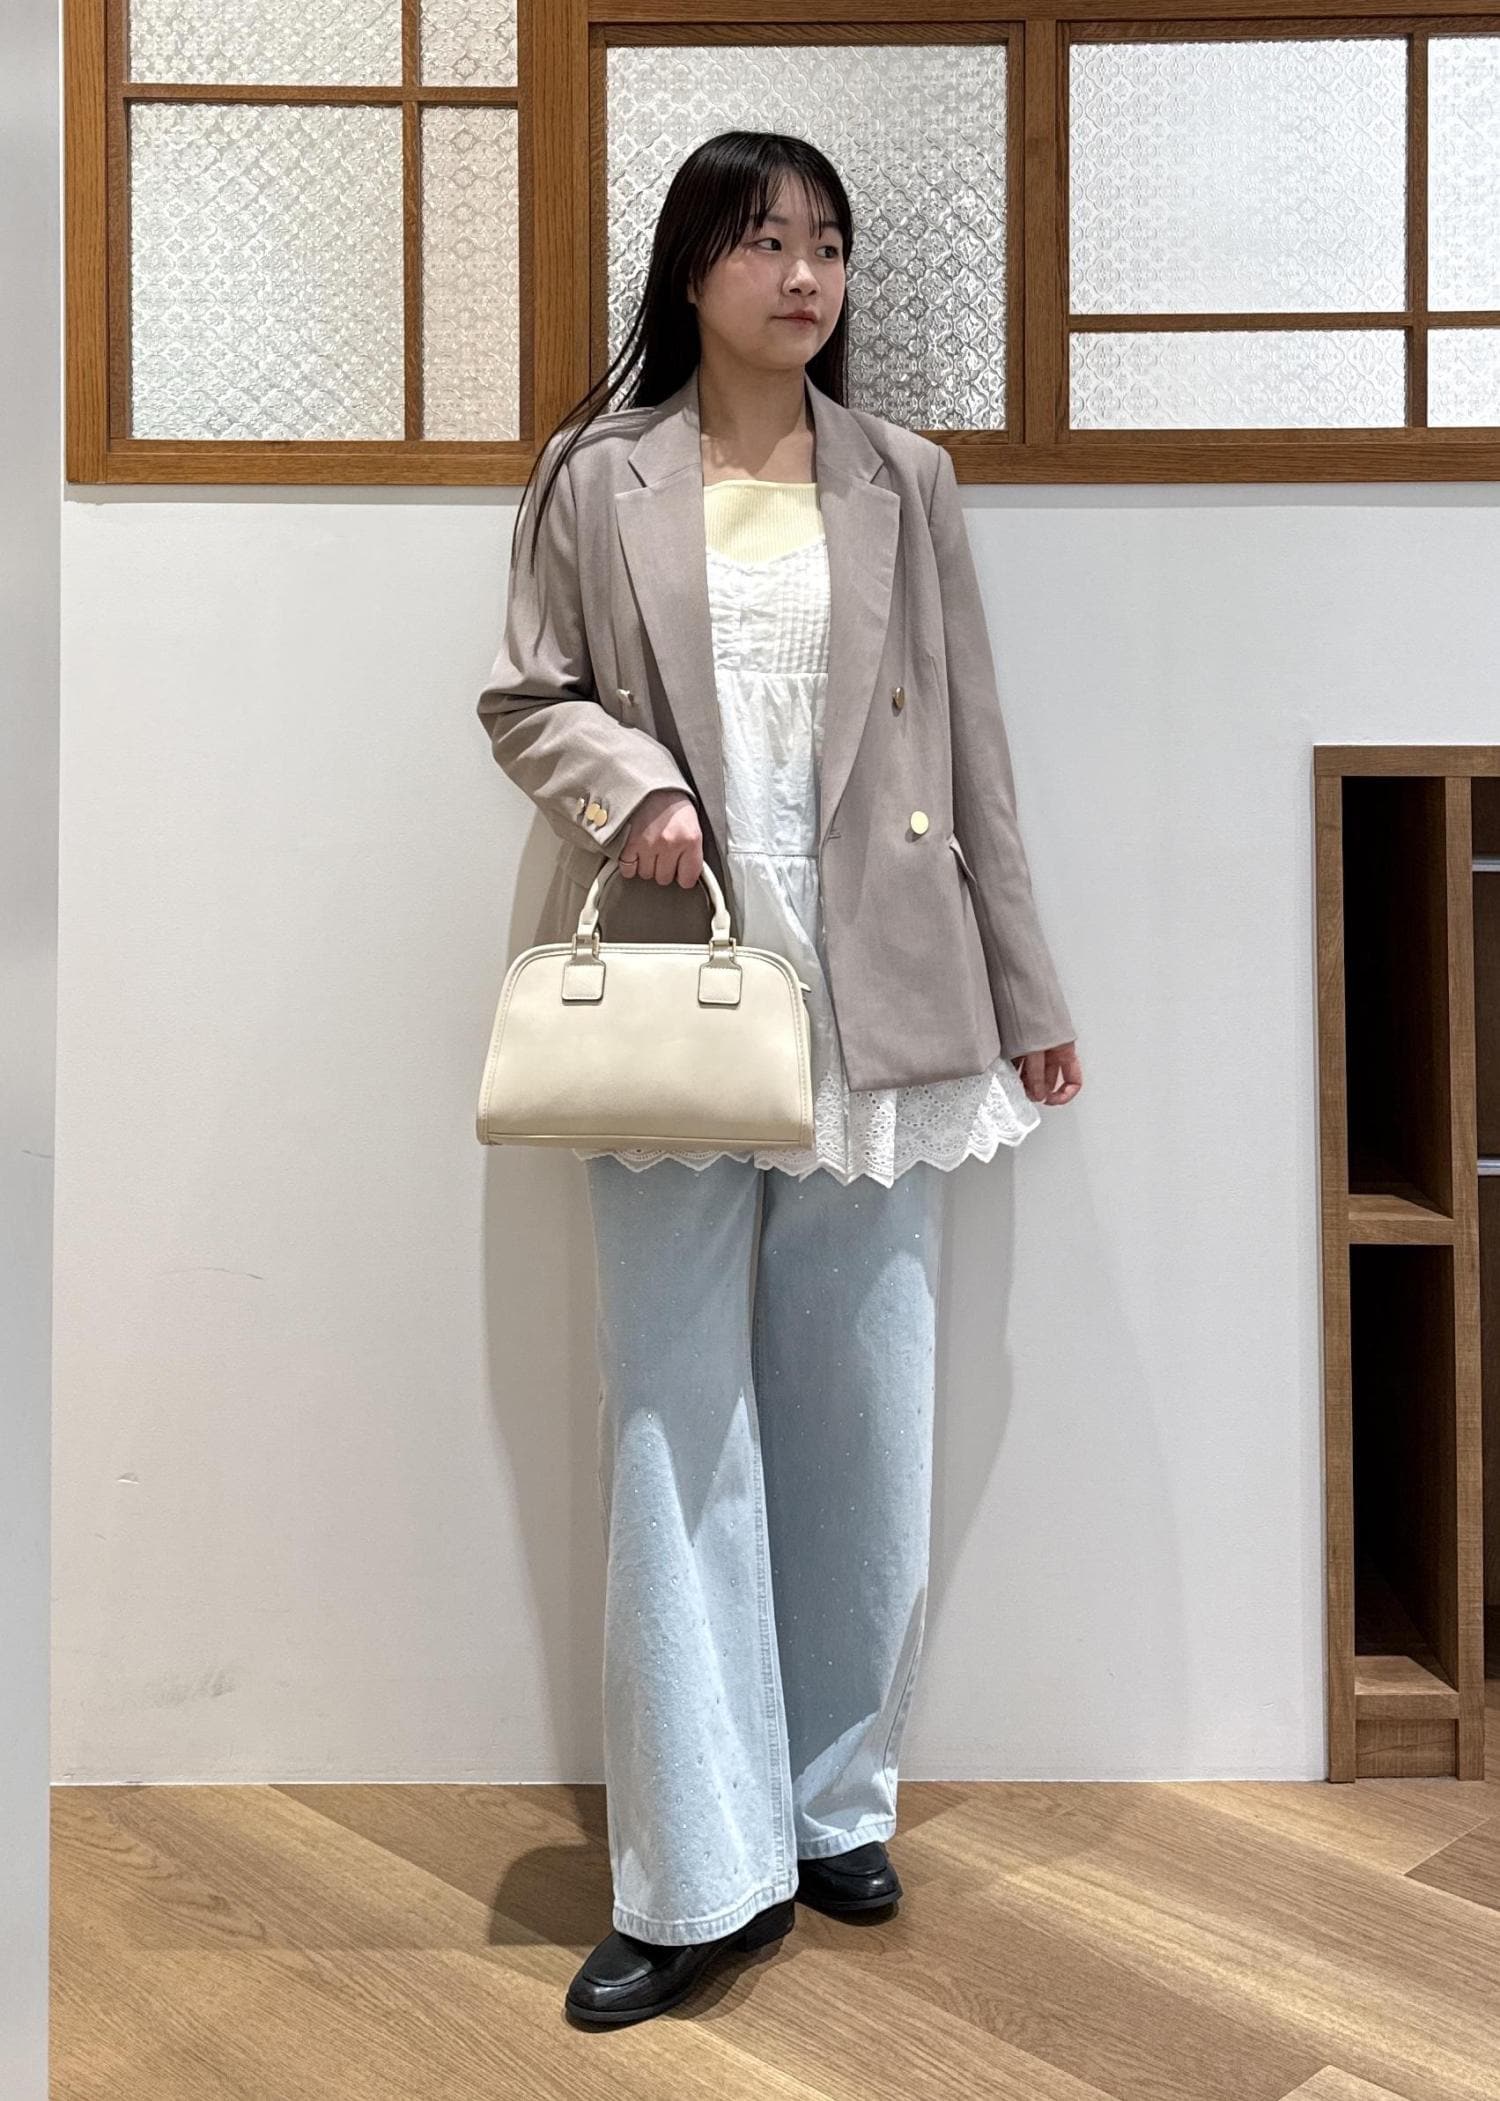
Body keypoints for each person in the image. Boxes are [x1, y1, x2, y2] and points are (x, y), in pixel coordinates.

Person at [477, 130, 1084, 2028]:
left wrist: (1025, 985)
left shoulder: (906, 474)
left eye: (827, 242)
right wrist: (637, 785)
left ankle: (833, 1801)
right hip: (679, 983)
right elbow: (527, 694)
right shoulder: (596, 473)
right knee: (674, 1417)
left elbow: (974, 748)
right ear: (692, 269)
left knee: (864, 1402)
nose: (803, 274)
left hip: (885, 984)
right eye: (763, 241)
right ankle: (691, 1864)